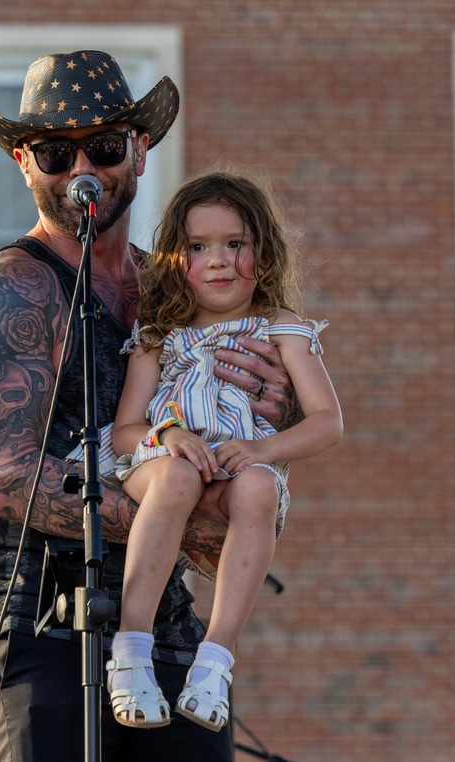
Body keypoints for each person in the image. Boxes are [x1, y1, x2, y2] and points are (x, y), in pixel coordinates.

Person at [0, 50, 299, 762]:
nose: (81, 169)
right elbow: (9, 481)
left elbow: (242, 449)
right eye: (54, 151)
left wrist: (269, 411)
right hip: (34, 621)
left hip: (161, 620)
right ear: (22, 160)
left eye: (103, 146)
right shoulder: (2, 293)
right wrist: (184, 507)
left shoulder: (182, 291)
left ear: (139, 151)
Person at [107, 169, 342, 732]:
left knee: (260, 485)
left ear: (262, 253)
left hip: (234, 466)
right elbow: (123, 430)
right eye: (197, 247)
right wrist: (168, 437)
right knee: (178, 478)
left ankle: (215, 661)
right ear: (174, 258)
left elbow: (328, 422)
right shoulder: (158, 333)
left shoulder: (282, 328)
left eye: (234, 244)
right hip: (159, 462)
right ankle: (131, 650)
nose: (216, 260)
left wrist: (263, 449)